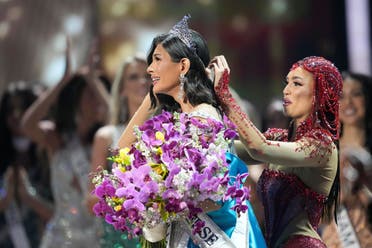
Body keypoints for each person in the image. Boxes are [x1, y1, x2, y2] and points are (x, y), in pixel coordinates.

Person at [116, 15, 266, 248]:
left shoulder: (204, 117)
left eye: (157, 59)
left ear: (183, 66)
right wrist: (152, 95)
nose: (149, 68)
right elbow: (121, 151)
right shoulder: (180, 119)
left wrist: (162, 205)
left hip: (213, 236)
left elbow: (216, 197)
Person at [212, 55, 342, 247]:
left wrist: (225, 96)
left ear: (319, 94)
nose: (286, 90)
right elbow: (226, 149)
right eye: (286, 82)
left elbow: (259, 148)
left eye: (296, 84)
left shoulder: (322, 146)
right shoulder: (280, 138)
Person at [21, 39, 108, 248]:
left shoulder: (104, 141)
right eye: (91, 96)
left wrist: (93, 81)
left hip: (95, 238)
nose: (97, 102)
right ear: (76, 100)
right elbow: (28, 124)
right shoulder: (57, 139)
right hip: (60, 238)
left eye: (98, 95)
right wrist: (62, 81)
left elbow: (114, 116)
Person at [86, 54, 151, 248]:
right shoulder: (106, 137)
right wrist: (125, 193)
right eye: (133, 77)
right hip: (122, 239)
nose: (142, 81)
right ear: (122, 89)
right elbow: (91, 202)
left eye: (148, 76)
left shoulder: (169, 132)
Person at [321, 71, 372, 248]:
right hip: (337, 239)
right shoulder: (325, 151)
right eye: (341, 97)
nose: (349, 103)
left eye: (356, 94)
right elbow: (315, 214)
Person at [0, 81, 53, 248]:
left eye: (23, 108)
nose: (16, 115)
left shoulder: (49, 154)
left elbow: (64, 212)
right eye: (10, 110)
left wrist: (29, 198)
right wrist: (5, 198)